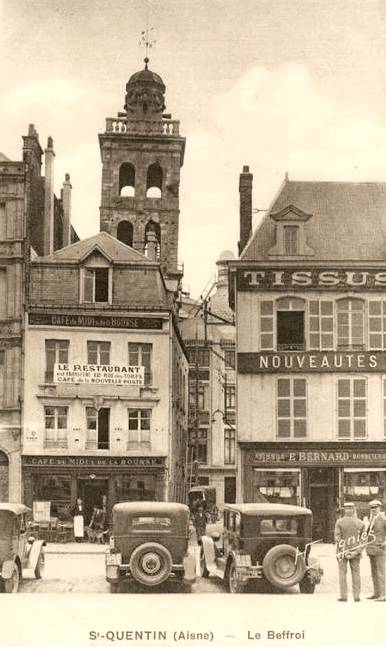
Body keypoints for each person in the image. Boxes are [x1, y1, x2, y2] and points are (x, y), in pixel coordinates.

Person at [334, 501, 366, 602]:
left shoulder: (339, 522)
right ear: (354, 510)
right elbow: (363, 540)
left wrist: (344, 551)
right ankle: (356, 596)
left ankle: (344, 596)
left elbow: (337, 538)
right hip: (356, 552)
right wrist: (356, 552)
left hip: (342, 552)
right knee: (356, 573)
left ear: (345, 510)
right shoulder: (360, 523)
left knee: (342, 573)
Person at [366, 499, 386, 601]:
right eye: (372, 508)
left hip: (380, 548)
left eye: (375, 507)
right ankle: (377, 593)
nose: (373, 509)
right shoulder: (371, 518)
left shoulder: (383, 518)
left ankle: (383, 594)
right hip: (371, 548)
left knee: (381, 572)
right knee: (374, 572)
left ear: (380, 508)